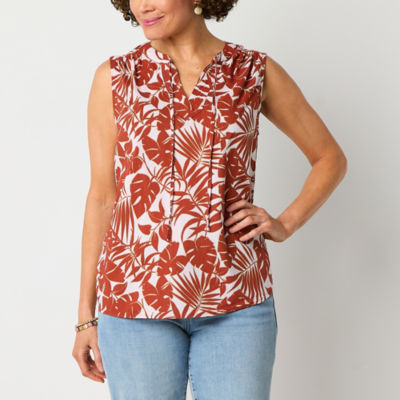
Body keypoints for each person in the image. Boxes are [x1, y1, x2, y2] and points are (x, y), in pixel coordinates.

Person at [72, 0, 347, 399]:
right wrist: (85, 317)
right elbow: (102, 196)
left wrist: (286, 223)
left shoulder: (252, 71)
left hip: (236, 300)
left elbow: (329, 158)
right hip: (135, 302)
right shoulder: (116, 77)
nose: (143, 5)